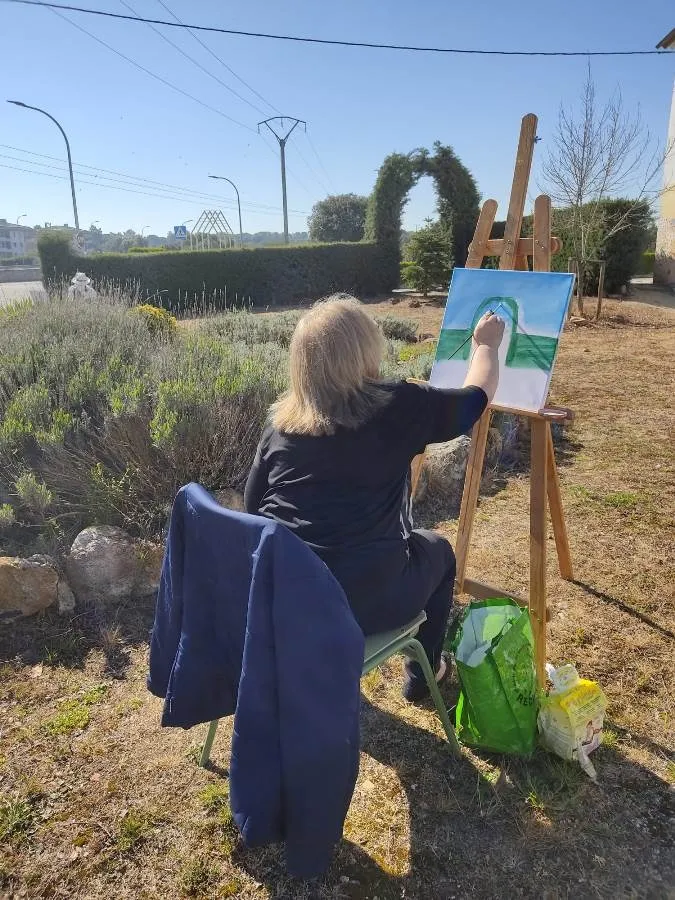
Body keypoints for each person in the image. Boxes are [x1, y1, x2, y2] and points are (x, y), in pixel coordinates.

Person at [244, 295, 504, 701]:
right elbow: (476, 399)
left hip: (287, 601)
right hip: (364, 601)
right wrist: (486, 345)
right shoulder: (399, 407)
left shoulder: (280, 424)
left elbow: (253, 508)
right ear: (365, 351)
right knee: (439, 552)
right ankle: (423, 675)